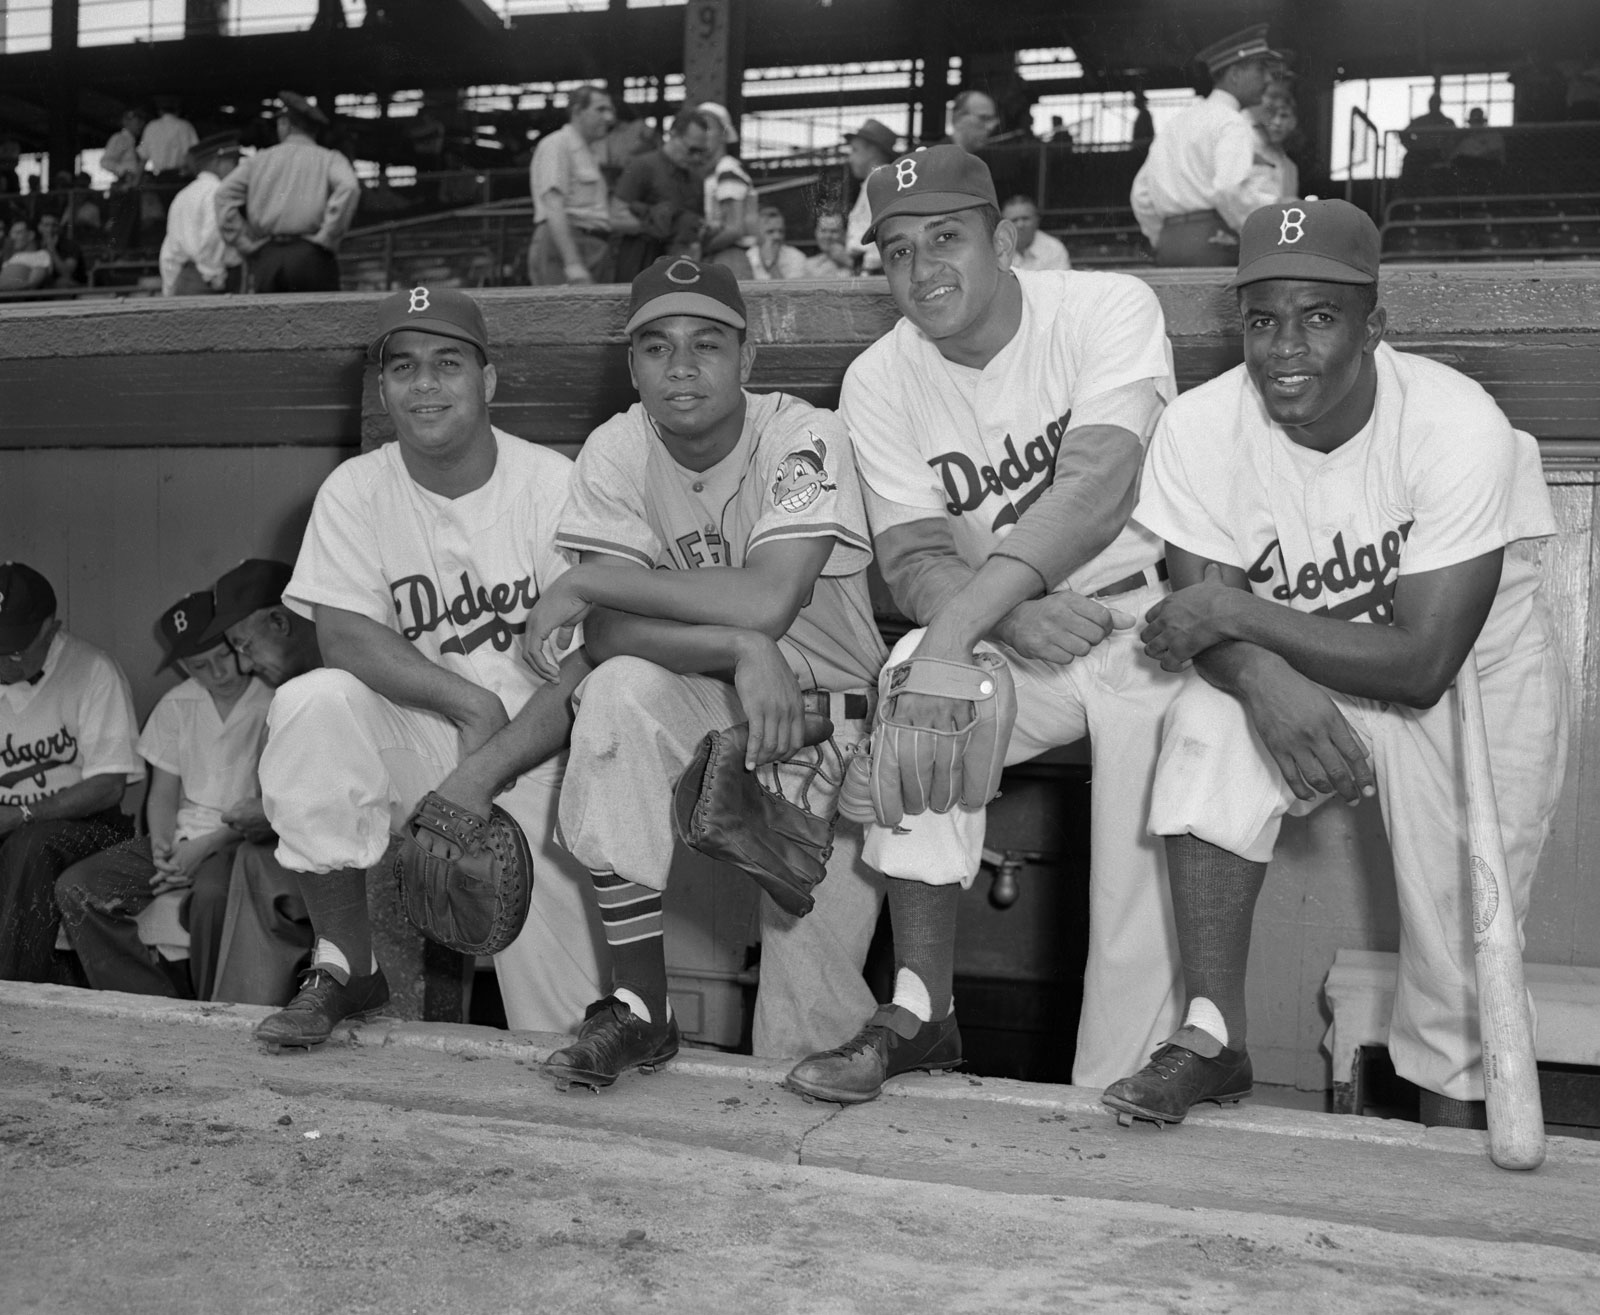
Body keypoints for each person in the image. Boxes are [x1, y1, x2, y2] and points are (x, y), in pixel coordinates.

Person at [1101, 199, 1569, 1132]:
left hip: (1473, 686)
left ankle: (1448, 1181)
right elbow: (1201, 632)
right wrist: (1262, 677)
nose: (1286, 348)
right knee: (1205, 725)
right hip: (1304, 665)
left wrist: (1235, 613)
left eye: (1319, 317)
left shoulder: (1452, 422)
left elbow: (1421, 661)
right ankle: (1211, 1036)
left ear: (1374, 326)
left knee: (1459, 955)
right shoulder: (1202, 426)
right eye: (1263, 320)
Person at [781, 146, 1187, 1105]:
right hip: (1015, 630)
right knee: (916, 686)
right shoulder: (880, 377)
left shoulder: (1105, 307)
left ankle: (1118, 1087)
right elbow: (916, 558)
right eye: (895, 251)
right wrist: (995, 621)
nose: (923, 272)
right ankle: (922, 1008)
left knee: (1139, 854)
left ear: (1005, 238)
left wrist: (973, 622)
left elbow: (1096, 490)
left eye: (947, 238)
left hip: (1145, 613)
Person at [527, 256, 888, 1089]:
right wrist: (734, 649)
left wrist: (582, 579)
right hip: (712, 698)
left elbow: (767, 599)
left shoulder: (803, 433)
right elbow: (615, 634)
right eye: (656, 346)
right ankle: (641, 1009)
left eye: (707, 344)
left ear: (748, 359)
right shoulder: (618, 447)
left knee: (807, 1031)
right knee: (613, 694)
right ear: (632, 364)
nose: (681, 366)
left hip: (834, 726)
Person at [251, 286, 608, 1048]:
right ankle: (347, 963)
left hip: (547, 755)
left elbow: (591, 661)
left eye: (448, 363)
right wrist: (470, 707)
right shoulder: (357, 487)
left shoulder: (555, 486)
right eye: (403, 367)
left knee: (567, 1024)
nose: (424, 384)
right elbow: (344, 635)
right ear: (383, 389)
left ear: (489, 380)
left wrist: (490, 763)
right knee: (314, 704)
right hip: (429, 740)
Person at [55, 590, 272, 999]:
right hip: (183, 835)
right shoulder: (178, 704)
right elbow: (163, 794)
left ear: (239, 643)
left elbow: (267, 810)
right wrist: (161, 847)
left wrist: (202, 849)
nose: (217, 673)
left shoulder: (272, 697)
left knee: (212, 896)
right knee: (79, 887)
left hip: (242, 839)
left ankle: (216, 1012)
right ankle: (150, 1005)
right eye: (199, 666)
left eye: (223, 657)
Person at [0, 562, 143, 983]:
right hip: (10, 825)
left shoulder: (94, 670)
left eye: (14, 649)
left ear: (51, 628)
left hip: (87, 829)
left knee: (31, 844)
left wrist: (22, 815)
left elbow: (108, 786)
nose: (4, 661)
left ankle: (12, 996)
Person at [197, 559, 323, 1007]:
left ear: (279, 621)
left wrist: (272, 816)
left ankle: (241, 1019)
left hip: (386, 866)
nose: (245, 665)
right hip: (322, 858)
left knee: (256, 865)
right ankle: (242, 1015)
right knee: (252, 861)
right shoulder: (289, 692)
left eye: (245, 646)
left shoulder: (345, 674)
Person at [1130, 25, 1284, 266]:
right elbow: (1228, 188)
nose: (1267, 79)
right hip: (1217, 243)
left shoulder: (1178, 121)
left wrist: (1161, 237)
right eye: (1260, 68)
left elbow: (1140, 193)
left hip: (1170, 245)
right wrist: (1257, 239)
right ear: (1235, 73)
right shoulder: (1232, 122)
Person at [214, 91, 359, 294]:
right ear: (313, 130)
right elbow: (349, 187)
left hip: (267, 255)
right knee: (317, 323)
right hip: (312, 254)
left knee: (269, 324)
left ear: (285, 125)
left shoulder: (259, 160)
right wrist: (328, 236)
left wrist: (243, 243)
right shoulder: (329, 159)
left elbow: (223, 196)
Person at [527, 85, 619, 285]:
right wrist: (572, 262)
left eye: (610, 110)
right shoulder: (557, 144)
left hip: (590, 243)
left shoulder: (589, 151)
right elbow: (553, 204)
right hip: (565, 243)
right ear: (577, 111)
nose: (609, 117)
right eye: (600, 109)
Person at [610, 107, 711, 284]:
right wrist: (654, 226)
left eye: (700, 152)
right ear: (673, 135)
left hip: (679, 268)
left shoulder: (696, 179)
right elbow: (615, 217)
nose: (695, 157)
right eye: (691, 149)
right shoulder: (642, 166)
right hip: (639, 263)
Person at [159, 132, 244, 297]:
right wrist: (215, 276)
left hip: (184, 279)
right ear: (217, 162)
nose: (237, 168)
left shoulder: (184, 194)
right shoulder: (218, 192)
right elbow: (213, 237)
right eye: (233, 162)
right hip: (210, 281)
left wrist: (169, 289)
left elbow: (169, 251)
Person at [695, 102, 757, 279]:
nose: (702, 134)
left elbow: (734, 229)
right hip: (721, 257)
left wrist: (698, 250)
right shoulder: (715, 172)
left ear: (723, 132)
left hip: (729, 258)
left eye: (708, 127)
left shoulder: (727, 168)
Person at [843, 117, 898, 274]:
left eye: (855, 150)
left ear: (872, 151)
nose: (850, 158)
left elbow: (885, 230)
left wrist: (868, 270)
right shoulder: (875, 179)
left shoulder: (881, 179)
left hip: (874, 271)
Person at [1247, 82, 1300, 204]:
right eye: (1271, 114)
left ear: (1293, 122)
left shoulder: (1290, 168)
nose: (1277, 122)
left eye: (1284, 116)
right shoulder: (1247, 148)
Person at [103, 109, 145, 251]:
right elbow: (105, 161)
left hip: (133, 187)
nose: (140, 125)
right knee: (121, 225)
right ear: (126, 122)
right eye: (136, 121)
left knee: (132, 225)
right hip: (123, 186)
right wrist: (123, 172)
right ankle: (116, 255)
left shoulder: (134, 142)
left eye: (141, 121)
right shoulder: (119, 138)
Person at [1399, 92, 1456, 184]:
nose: (1433, 105)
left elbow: (1453, 138)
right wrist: (1412, 146)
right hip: (1419, 153)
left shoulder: (1447, 122)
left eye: (1436, 102)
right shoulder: (1420, 120)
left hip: (1439, 154)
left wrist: (1447, 151)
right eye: (1432, 102)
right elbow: (1403, 134)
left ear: (1440, 104)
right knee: (1409, 160)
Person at [1002, 196, 1071, 271]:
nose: (1020, 225)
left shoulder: (1054, 249)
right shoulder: (996, 248)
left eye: (1025, 218)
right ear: (1004, 225)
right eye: (1014, 220)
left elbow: (1060, 282)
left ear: (1037, 220)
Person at [138, 97, 198, 184]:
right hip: (180, 178)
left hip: (158, 179)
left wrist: (136, 181)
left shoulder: (151, 127)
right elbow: (193, 155)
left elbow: (143, 158)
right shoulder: (185, 126)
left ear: (160, 111)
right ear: (178, 110)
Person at [748, 206, 809, 281]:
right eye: (770, 231)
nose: (777, 236)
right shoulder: (746, 258)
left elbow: (790, 292)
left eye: (781, 231)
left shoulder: (796, 257)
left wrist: (772, 265)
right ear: (757, 233)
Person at [0, 220, 52, 293]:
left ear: (31, 235)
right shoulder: (12, 257)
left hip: (21, 299)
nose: (13, 237)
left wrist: (8, 286)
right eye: (12, 233)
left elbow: (33, 282)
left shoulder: (40, 255)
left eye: (18, 233)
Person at [36, 214, 85, 289]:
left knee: (62, 283)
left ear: (59, 228)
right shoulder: (35, 246)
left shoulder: (71, 246)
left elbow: (67, 273)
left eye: (54, 225)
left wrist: (52, 250)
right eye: (46, 225)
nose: (50, 229)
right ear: (39, 227)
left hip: (68, 287)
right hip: (41, 284)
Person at [803, 212, 855, 279]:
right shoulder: (808, 264)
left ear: (845, 233)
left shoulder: (858, 261)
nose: (828, 236)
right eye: (823, 230)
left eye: (834, 231)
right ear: (815, 233)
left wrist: (849, 263)